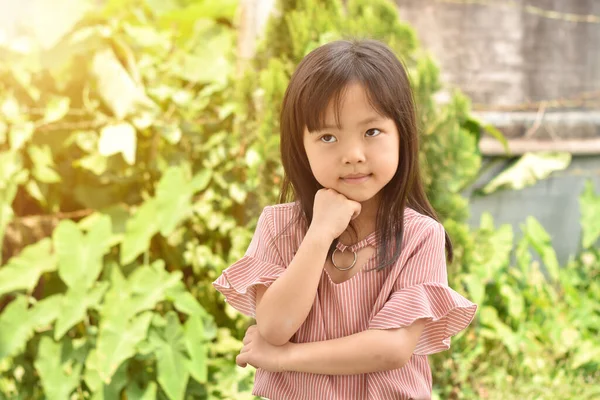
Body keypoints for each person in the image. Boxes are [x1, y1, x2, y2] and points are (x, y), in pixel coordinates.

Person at [213, 39, 477, 400]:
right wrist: (320, 233)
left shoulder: (420, 236)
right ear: (300, 148)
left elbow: (392, 348)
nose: (352, 155)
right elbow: (274, 327)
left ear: (402, 134)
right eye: (327, 136)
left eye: (371, 132)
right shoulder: (279, 228)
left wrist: (286, 357)